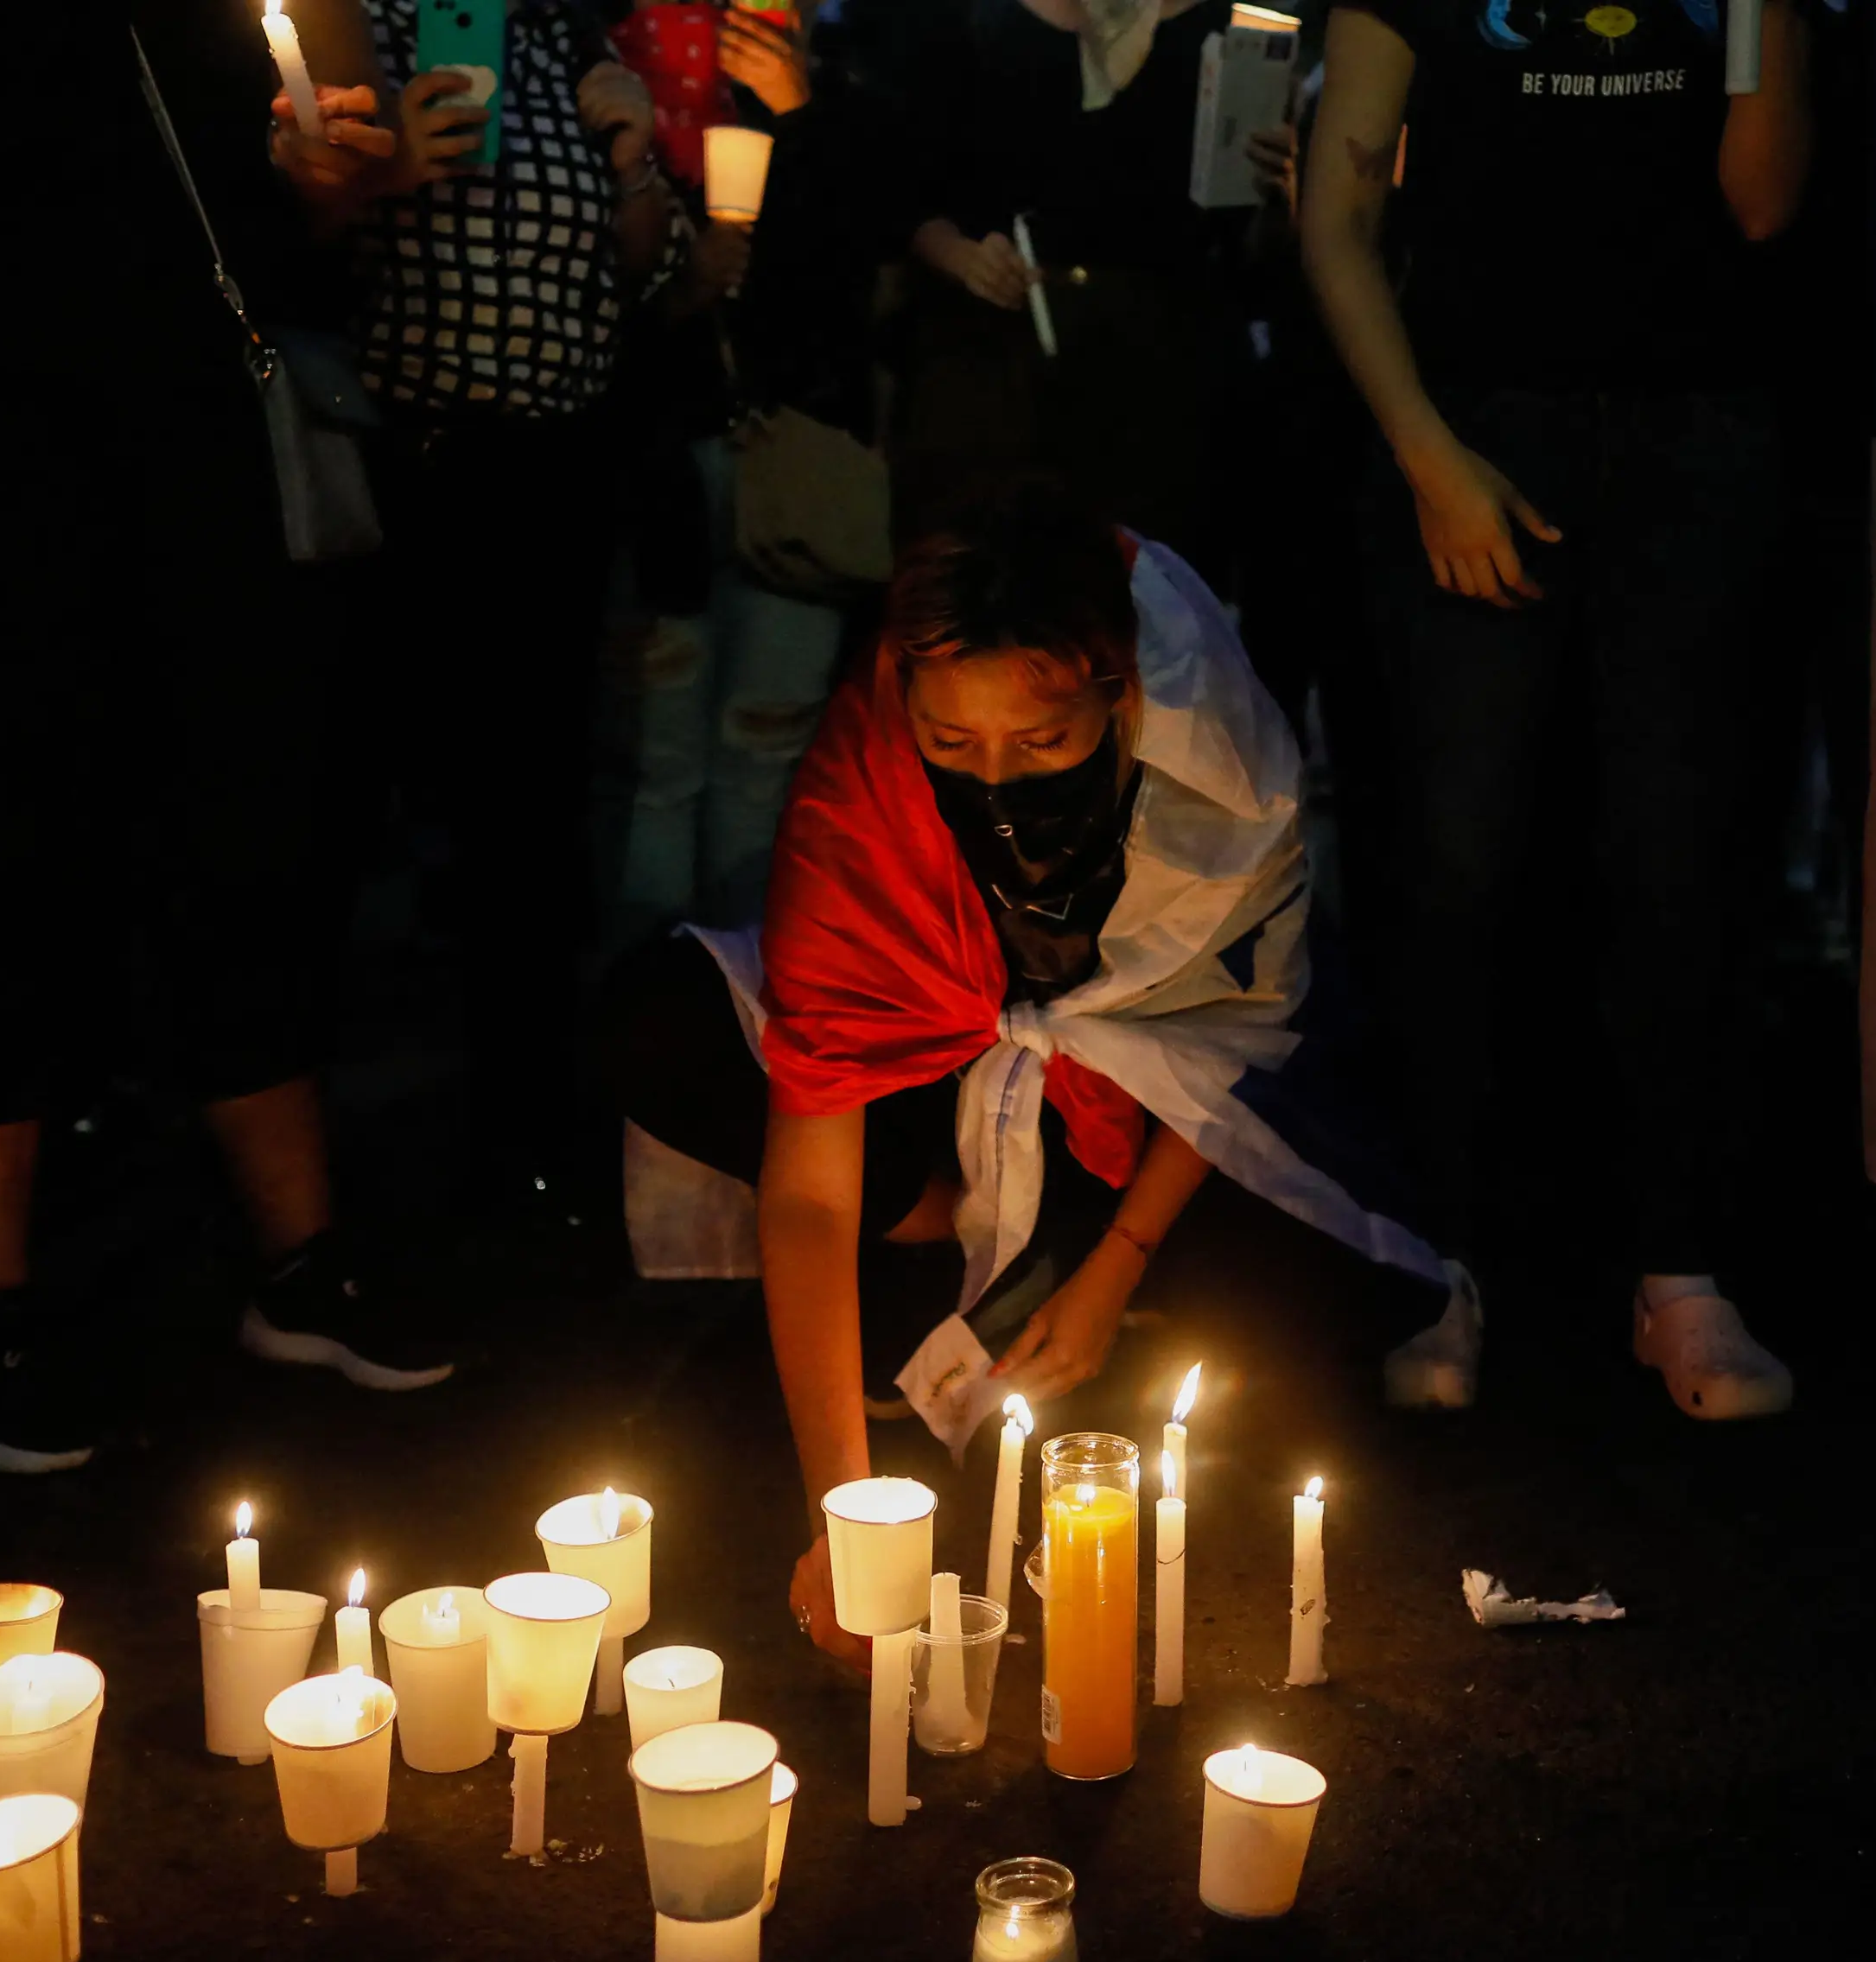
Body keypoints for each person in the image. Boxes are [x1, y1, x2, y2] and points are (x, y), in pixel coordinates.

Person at [0, 0, 450, 1474]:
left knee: (245, 828)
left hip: (185, 417)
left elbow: (320, 116)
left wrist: (337, 159)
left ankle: (299, 1259)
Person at [598, 488, 1472, 1672]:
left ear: (1119, 693)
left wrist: (1121, 1264)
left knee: (1303, 1345)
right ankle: (938, 1253)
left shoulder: (1213, 749)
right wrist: (838, 1522)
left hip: (1143, 1117)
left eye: (1044, 741)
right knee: (651, 1019)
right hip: (950, 1082)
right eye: (952, 744)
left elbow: (1228, 1042)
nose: (996, 779)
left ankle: (1055, 1259)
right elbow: (807, 1187)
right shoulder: (861, 797)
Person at [1300, 0, 1814, 1420]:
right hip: (1476, 421)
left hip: (1698, 439)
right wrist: (1427, 457)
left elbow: (1764, 202)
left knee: (1683, 855)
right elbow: (1336, 217)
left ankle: (1679, 1271)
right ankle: (1442, 1257)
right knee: (1456, 861)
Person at [277, 0, 689, 1216]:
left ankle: (520, 1139)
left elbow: (654, 273)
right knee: (343, 814)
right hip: (399, 469)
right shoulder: (364, 30)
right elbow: (299, 223)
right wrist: (381, 152)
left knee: (531, 824)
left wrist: (631, 161)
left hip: (552, 484)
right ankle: (300, 1160)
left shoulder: (568, 41)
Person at [598, 0, 907, 950]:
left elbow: (867, 268)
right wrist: (679, 283)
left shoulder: (850, 82)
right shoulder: (606, 65)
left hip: (795, 468)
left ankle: (735, 1001)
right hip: (657, 463)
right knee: (658, 759)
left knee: (765, 751)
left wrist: (800, 111)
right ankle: (649, 1013)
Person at [890, 0, 1266, 568]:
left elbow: (1244, 237)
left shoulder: (1230, 27)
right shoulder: (969, 21)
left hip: (1166, 379)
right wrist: (964, 258)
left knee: (1156, 606)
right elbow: (905, 193)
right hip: (1006, 370)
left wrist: (1280, 181)